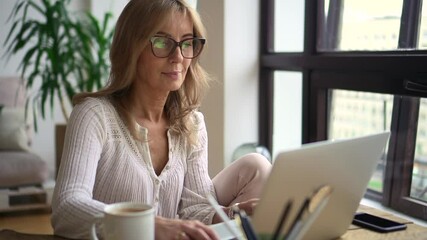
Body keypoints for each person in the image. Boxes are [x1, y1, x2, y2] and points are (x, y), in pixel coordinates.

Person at [51, 0, 272, 239]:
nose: (178, 56)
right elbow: (66, 207)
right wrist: (147, 225)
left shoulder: (191, 124)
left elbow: (194, 208)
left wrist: (233, 214)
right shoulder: (94, 115)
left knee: (257, 165)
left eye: (187, 43)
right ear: (130, 48)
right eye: (161, 42)